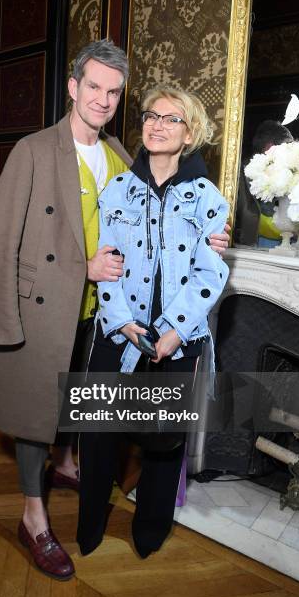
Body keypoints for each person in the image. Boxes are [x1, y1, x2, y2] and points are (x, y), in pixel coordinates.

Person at [0, 40, 230, 581]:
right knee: (33, 411)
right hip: (47, 303)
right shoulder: (34, 149)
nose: (102, 98)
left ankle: (68, 462)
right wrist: (7, 320)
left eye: (114, 91)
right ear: (73, 88)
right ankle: (34, 515)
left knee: (78, 401)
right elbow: (0, 242)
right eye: (93, 86)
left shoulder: (120, 154)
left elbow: (163, 222)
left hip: (102, 316)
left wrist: (208, 239)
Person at [77, 86, 229, 559]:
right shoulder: (117, 189)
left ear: (190, 134)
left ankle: (150, 531)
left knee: (164, 444)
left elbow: (211, 272)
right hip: (118, 335)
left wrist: (175, 331)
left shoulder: (208, 198)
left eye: (171, 118)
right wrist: (122, 324)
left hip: (177, 341)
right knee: (99, 437)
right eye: (150, 115)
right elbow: (107, 263)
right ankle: (89, 527)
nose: (157, 124)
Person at [235, 120, 293, 247]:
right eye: (287, 147)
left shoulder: (288, 173)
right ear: (270, 147)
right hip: (251, 247)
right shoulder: (238, 175)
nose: (291, 154)